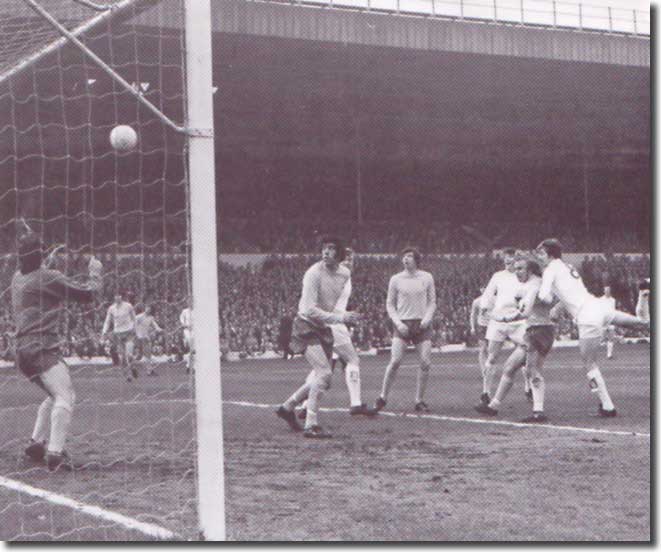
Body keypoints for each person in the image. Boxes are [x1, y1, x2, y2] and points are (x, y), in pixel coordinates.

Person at [11, 233, 103, 471]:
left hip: (22, 350)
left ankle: (36, 443)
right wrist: (96, 271)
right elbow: (88, 294)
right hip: (41, 346)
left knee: (54, 394)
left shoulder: (18, 278)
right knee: (66, 396)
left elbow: (39, 279)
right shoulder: (49, 277)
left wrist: (46, 261)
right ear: (40, 255)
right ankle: (55, 453)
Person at [535, 239, 649, 417]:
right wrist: (558, 306)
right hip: (599, 307)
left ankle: (607, 406)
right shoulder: (567, 266)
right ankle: (643, 294)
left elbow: (545, 296)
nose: (538, 256)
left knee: (589, 363)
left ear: (550, 254)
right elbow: (571, 293)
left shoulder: (550, 270)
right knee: (642, 323)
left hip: (588, 316)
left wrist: (540, 296)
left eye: (541, 253)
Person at [275, 236, 361, 438]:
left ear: (339, 254)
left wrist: (340, 317)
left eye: (331, 249)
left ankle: (287, 408)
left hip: (323, 327)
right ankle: (311, 425)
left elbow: (332, 299)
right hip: (305, 326)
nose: (326, 252)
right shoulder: (313, 273)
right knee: (324, 373)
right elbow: (310, 310)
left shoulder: (345, 274)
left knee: (324, 378)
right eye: (324, 248)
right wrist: (340, 317)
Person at [475, 258, 557, 422]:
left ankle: (538, 412)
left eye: (520, 268)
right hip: (533, 331)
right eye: (516, 268)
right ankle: (493, 406)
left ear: (530, 271)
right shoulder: (530, 285)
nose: (516, 271)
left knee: (533, 371)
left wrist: (503, 318)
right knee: (510, 367)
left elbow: (525, 313)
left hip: (540, 331)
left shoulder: (535, 285)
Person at [298, 248, 374, 417]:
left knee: (324, 368)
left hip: (329, 321)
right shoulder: (336, 277)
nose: (349, 262)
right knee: (352, 359)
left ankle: (303, 405)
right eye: (345, 259)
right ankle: (355, 404)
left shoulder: (343, 276)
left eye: (351, 259)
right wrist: (343, 316)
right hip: (334, 323)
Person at [373, 247, 436, 413]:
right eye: (404, 256)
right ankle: (382, 397)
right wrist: (398, 323)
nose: (405, 259)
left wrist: (427, 319)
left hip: (421, 324)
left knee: (425, 362)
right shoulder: (396, 279)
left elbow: (432, 302)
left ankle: (419, 400)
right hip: (402, 323)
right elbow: (390, 304)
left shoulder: (427, 277)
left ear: (416, 260)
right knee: (395, 361)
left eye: (409, 256)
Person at [479, 248, 530, 406]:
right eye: (506, 259)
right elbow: (487, 295)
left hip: (518, 321)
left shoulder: (523, 277)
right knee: (492, 357)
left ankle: (529, 388)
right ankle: (486, 393)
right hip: (499, 321)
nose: (508, 261)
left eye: (511, 259)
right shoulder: (498, 276)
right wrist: (485, 309)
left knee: (526, 355)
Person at [102, 292, 136, 381]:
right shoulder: (111, 308)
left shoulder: (128, 306)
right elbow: (107, 321)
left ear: (122, 296)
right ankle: (128, 376)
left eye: (119, 295)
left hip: (128, 332)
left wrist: (134, 328)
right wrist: (104, 331)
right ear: (114, 297)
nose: (117, 297)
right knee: (122, 356)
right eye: (115, 295)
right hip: (118, 334)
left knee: (129, 355)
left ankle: (132, 367)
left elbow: (134, 318)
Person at [470, 287, 490, 397]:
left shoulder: (494, 299)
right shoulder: (477, 301)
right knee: (483, 349)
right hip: (482, 326)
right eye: (483, 288)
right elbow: (473, 315)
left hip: (492, 326)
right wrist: (472, 327)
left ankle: (489, 369)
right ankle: (484, 371)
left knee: (490, 350)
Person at [134, 304, 163, 376]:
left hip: (145, 337)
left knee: (143, 355)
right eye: (147, 308)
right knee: (145, 355)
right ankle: (149, 371)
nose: (148, 309)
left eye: (150, 309)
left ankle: (148, 371)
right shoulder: (139, 317)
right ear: (145, 308)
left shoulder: (151, 318)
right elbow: (133, 326)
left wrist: (159, 329)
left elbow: (155, 325)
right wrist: (137, 335)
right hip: (139, 338)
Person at [601, 286, 617, 359]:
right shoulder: (601, 300)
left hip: (610, 320)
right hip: (603, 320)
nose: (607, 292)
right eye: (606, 290)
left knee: (611, 337)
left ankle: (609, 355)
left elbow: (613, 311)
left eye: (608, 290)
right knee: (601, 339)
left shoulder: (613, 300)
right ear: (604, 291)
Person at [180, 299, 194, 374]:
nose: (190, 303)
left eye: (191, 301)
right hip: (187, 330)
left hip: (194, 331)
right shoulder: (185, 311)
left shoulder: (196, 311)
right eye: (189, 302)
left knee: (193, 351)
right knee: (190, 349)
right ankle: (189, 367)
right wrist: (185, 325)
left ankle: (190, 367)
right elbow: (181, 319)